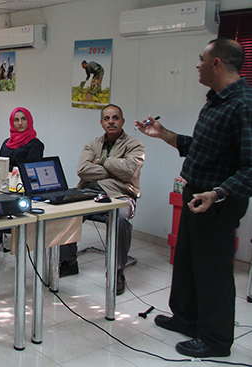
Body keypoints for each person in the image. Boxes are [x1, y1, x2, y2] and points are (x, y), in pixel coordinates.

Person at [135, 39, 252, 358]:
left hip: (217, 202)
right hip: (195, 195)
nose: (196, 64)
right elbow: (201, 148)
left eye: (200, 59)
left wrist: (218, 193)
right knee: (186, 261)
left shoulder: (244, 103)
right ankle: (186, 318)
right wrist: (164, 133)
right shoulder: (216, 101)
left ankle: (215, 339)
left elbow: (250, 166)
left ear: (216, 63)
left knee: (212, 270)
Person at [61, 104, 145, 296]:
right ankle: (68, 262)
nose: (111, 122)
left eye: (115, 118)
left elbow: (129, 171)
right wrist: (115, 169)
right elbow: (82, 169)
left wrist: (101, 161)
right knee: (63, 206)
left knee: (121, 217)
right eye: (107, 118)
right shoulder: (92, 144)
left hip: (120, 194)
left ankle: (117, 271)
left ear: (122, 121)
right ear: (101, 122)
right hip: (89, 190)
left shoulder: (135, 145)